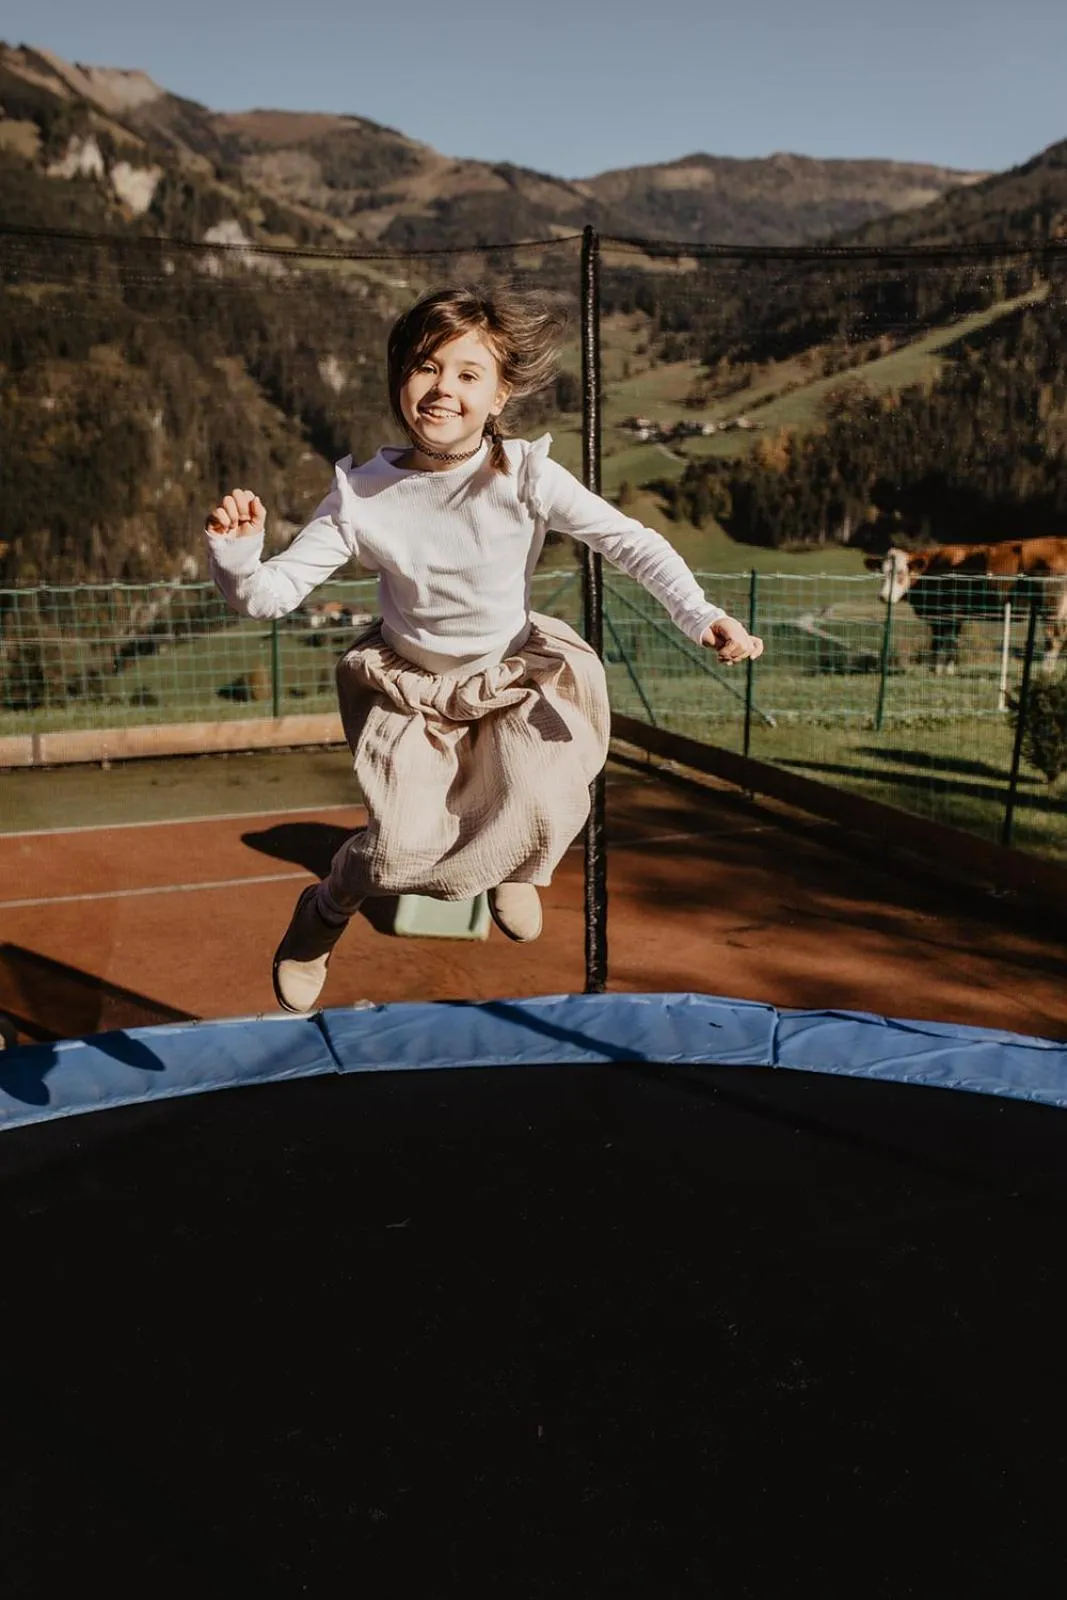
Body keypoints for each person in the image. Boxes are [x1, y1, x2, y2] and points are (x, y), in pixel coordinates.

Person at [204, 286, 763, 1014]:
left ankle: (516, 865)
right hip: (412, 691)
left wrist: (701, 615)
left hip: (511, 673)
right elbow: (268, 597)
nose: (443, 390)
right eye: (426, 368)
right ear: (399, 380)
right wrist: (240, 560)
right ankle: (324, 910)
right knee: (395, 853)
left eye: (468, 375)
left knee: (549, 788)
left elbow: (630, 542)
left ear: (500, 396)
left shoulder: (526, 476)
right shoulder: (361, 495)